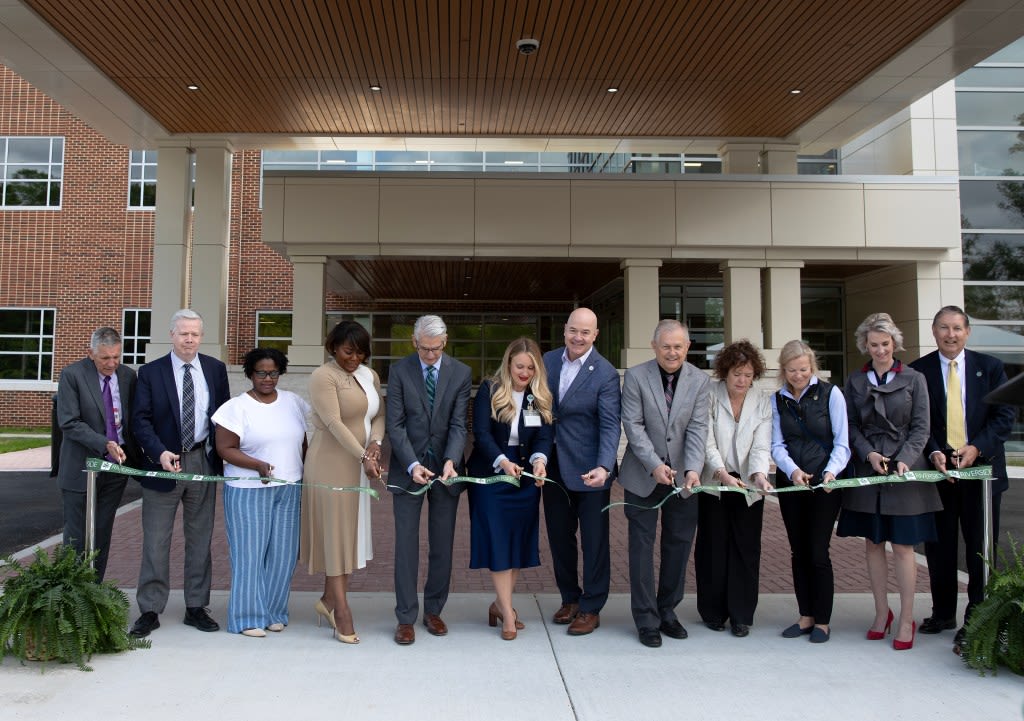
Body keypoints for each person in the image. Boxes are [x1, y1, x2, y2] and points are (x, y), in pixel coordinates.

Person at [909, 306, 1014, 652]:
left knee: (980, 550)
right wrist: (936, 451)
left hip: (982, 476)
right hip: (939, 474)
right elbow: (917, 423)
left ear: (967, 332)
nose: (950, 334)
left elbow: (1004, 417)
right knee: (939, 548)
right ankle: (942, 613)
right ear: (934, 332)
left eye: (956, 328)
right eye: (943, 328)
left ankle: (977, 618)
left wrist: (976, 449)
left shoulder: (991, 367)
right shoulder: (918, 372)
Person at [837, 312, 938, 650]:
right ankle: (882, 612)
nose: (880, 350)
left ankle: (907, 617)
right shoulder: (854, 381)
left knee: (905, 548)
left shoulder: (914, 379)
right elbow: (849, 426)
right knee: (873, 544)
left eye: (885, 344)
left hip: (906, 472)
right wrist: (868, 455)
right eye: (873, 345)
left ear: (895, 344)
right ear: (865, 345)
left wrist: (905, 459)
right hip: (870, 470)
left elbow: (922, 426)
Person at [130, 309, 230, 638]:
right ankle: (150, 608)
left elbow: (224, 416)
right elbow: (139, 420)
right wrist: (159, 452)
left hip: (201, 461)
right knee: (156, 540)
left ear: (202, 336)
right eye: (184, 333)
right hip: (164, 464)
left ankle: (196, 606)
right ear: (172, 334)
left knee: (200, 539)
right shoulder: (151, 372)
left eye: (195, 334)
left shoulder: (215, 370)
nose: (190, 339)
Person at [620, 320, 709, 648]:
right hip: (643, 475)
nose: (672, 352)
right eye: (666, 346)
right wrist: (655, 465)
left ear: (687, 347)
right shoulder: (635, 376)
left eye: (679, 346)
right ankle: (645, 618)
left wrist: (694, 469)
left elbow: (698, 428)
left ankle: (667, 610)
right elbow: (633, 424)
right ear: (654, 346)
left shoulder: (700, 381)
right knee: (641, 548)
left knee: (679, 544)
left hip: (684, 477)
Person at [386, 315, 472, 645]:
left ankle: (434, 610)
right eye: (425, 349)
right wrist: (411, 464)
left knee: (442, 543)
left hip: (446, 471)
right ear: (414, 342)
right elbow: (396, 424)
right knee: (406, 546)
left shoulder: (461, 373)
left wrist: (451, 460)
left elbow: (458, 425)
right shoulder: (399, 371)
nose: (430, 355)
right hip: (408, 469)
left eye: (436, 349)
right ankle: (405, 617)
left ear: (445, 342)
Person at [213, 348, 309, 638]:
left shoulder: (293, 403)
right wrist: (257, 465)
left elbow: (302, 443)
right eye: (261, 373)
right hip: (248, 489)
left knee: (283, 554)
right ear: (249, 374)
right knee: (249, 554)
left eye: (274, 373)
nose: (267, 378)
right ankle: (246, 617)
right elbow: (224, 449)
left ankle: (274, 612)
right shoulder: (235, 408)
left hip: (289, 486)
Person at [299, 322, 384, 644]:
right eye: (349, 351)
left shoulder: (369, 375)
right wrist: (365, 455)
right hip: (330, 465)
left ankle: (328, 600)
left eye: (361, 352)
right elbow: (333, 422)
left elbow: (379, 415)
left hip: (359, 463)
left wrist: (374, 444)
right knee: (334, 536)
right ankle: (342, 611)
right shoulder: (323, 376)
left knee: (347, 536)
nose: (355, 358)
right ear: (333, 346)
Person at [466, 337, 554, 641]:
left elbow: (544, 436)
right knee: (498, 540)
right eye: (520, 366)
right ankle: (507, 613)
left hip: (525, 476)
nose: (525, 372)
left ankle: (500, 604)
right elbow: (481, 433)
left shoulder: (539, 394)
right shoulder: (490, 390)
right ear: (508, 363)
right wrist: (503, 462)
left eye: (531, 367)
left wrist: (540, 462)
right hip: (492, 474)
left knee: (516, 543)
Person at [542, 307, 621, 636]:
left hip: (591, 471)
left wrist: (604, 465)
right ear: (565, 329)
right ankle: (570, 598)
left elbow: (609, 424)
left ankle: (591, 606)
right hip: (552, 466)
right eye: (574, 330)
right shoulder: (546, 361)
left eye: (585, 332)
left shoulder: (604, 372)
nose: (578, 337)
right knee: (560, 539)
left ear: (595, 335)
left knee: (594, 541)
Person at [771, 340, 851, 644]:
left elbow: (842, 441)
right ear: (783, 370)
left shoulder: (832, 394)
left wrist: (829, 472)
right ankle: (805, 615)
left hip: (825, 483)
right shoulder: (777, 399)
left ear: (812, 367)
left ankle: (823, 620)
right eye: (792, 370)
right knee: (798, 550)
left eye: (803, 369)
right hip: (792, 482)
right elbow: (776, 444)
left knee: (818, 551)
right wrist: (792, 471)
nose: (798, 375)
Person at [696, 339, 773, 638]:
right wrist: (722, 473)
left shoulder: (761, 400)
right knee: (713, 548)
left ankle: (742, 615)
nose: (742, 380)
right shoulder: (710, 395)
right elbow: (706, 440)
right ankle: (713, 612)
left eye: (747, 374)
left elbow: (762, 443)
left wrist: (759, 475)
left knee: (746, 549)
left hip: (749, 487)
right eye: (736, 374)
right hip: (715, 484)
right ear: (725, 372)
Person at [55, 326, 139, 581]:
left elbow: (132, 419)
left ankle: (94, 595)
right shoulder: (72, 375)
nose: (112, 363)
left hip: (115, 470)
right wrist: (104, 443)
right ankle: (71, 595)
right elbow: (69, 422)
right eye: (105, 358)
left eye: (116, 356)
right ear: (90, 353)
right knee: (76, 537)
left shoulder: (127, 376)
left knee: (101, 533)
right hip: (80, 468)